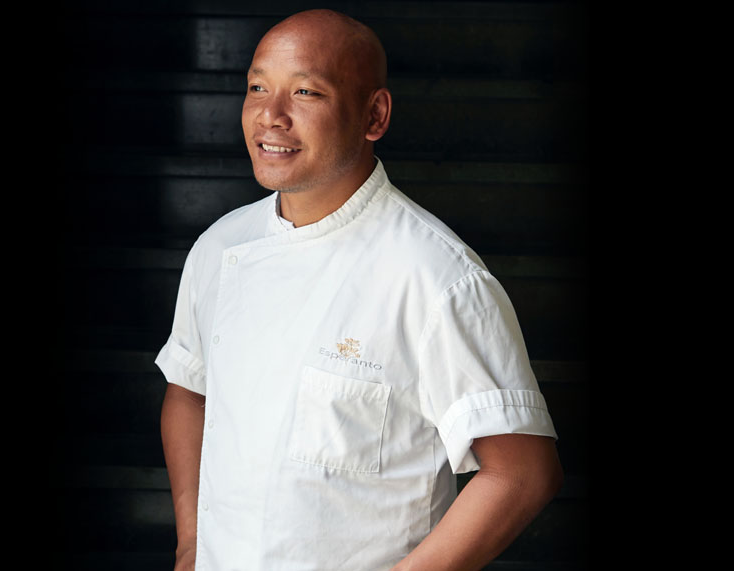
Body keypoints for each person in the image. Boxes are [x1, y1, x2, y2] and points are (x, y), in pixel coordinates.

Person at [157, 9, 563, 571]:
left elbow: (522, 473)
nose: (270, 116)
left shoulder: (436, 275)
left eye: (305, 92)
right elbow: (188, 391)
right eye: (257, 88)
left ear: (375, 115)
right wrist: (191, 543)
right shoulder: (219, 246)